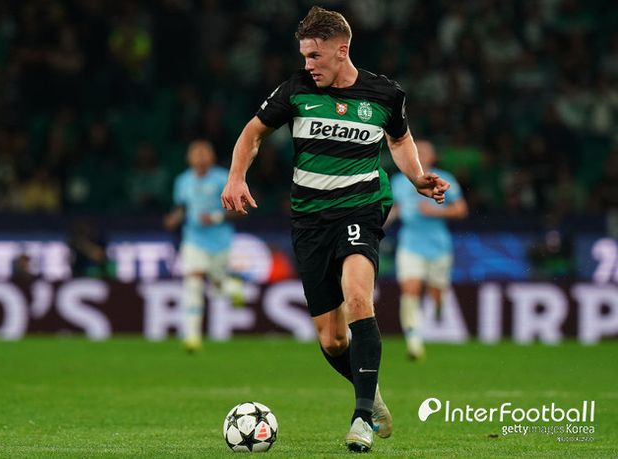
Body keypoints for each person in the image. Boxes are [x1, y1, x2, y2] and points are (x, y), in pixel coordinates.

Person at [221, 6, 449, 453]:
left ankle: (361, 419)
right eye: (304, 56)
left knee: (358, 298)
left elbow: (399, 139)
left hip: (361, 207)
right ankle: (371, 395)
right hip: (310, 219)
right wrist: (235, 177)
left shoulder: (385, 94)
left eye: (315, 56)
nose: (308, 64)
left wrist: (416, 177)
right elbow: (252, 134)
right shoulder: (296, 90)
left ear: (341, 50)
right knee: (332, 337)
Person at [389, 140, 468, 360]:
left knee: (436, 293)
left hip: (438, 245)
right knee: (410, 290)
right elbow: (394, 208)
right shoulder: (399, 181)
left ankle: (439, 306)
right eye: (417, 151)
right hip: (410, 243)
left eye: (425, 152)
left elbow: (461, 209)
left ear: (432, 157)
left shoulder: (444, 179)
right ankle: (413, 341)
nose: (420, 155)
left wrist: (435, 213)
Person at [164, 140, 242, 352]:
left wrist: (216, 217)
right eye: (195, 154)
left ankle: (232, 287)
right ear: (188, 158)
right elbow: (182, 207)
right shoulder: (183, 181)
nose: (199, 158)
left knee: (217, 287)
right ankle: (192, 336)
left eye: (203, 153)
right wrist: (174, 218)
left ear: (212, 157)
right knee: (193, 282)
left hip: (220, 240)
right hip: (193, 238)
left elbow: (241, 209)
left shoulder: (223, 178)